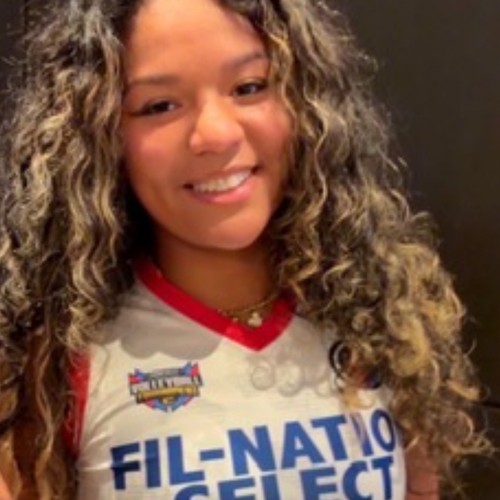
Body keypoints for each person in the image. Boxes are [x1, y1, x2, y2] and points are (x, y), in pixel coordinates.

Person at [0, 0, 490, 498]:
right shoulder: (56, 363)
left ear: (305, 101)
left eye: (249, 87)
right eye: (159, 106)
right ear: (99, 135)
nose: (215, 134)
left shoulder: (379, 317)